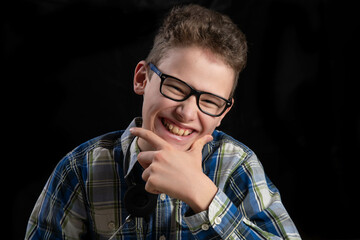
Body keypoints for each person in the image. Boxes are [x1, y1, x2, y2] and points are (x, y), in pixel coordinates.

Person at [25, 4, 300, 240]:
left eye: (210, 102)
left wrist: (203, 195)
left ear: (224, 113)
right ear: (142, 79)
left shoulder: (237, 166)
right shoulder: (80, 170)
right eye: (177, 88)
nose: (187, 113)